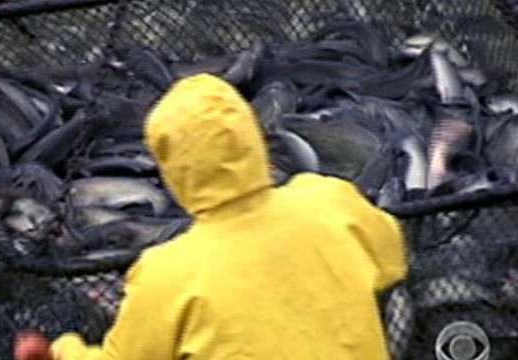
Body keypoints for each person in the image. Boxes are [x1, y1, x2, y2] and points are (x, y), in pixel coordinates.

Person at [34, 73, 408, 360]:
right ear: (252, 136)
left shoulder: (167, 273)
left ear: (170, 167)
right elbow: (391, 261)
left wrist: (63, 349)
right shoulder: (328, 200)